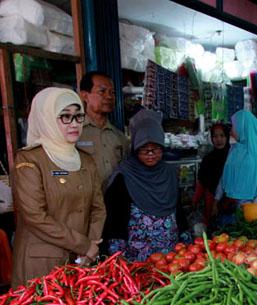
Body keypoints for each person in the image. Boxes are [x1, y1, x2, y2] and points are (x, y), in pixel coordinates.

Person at [11, 88, 105, 287]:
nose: (74, 124)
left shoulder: (85, 160)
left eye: (78, 116)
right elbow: (35, 216)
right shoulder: (29, 160)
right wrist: (83, 244)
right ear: (46, 119)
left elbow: (98, 208)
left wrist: (92, 245)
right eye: (65, 117)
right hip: (42, 264)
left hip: (80, 261)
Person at [102, 110, 188, 262]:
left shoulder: (169, 173)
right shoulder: (124, 176)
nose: (150, 154)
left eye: (156, 148)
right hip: (136, 259)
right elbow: (115, 220)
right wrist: (117, 254)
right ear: (135, 148)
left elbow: (178, 210)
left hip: (170, 256)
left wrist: (186, 242)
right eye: (144, 149)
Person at [216, 111, 257, 225]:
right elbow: (225, 176)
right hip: (229, 208)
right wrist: (216, 199)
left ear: (243, 126)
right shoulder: (235, 149)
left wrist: (252, 206)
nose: (231, 131)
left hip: (252, 210)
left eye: (234, 126)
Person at [77, 71, 130, 192]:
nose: (109, 96)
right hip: (85, 204)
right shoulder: (75, 133)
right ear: (85, 96)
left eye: (112, 92)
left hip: (112, 204)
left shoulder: (119, 137)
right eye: (102, 91)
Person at [193, 124, 231, 228]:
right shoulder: (208, 159)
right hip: (210, 201)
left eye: (222, 136)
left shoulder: (233, 158)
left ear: (227, 137)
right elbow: (202, 183)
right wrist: (195, 201)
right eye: (215, 136)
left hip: (231, 203)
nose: (219, 139)